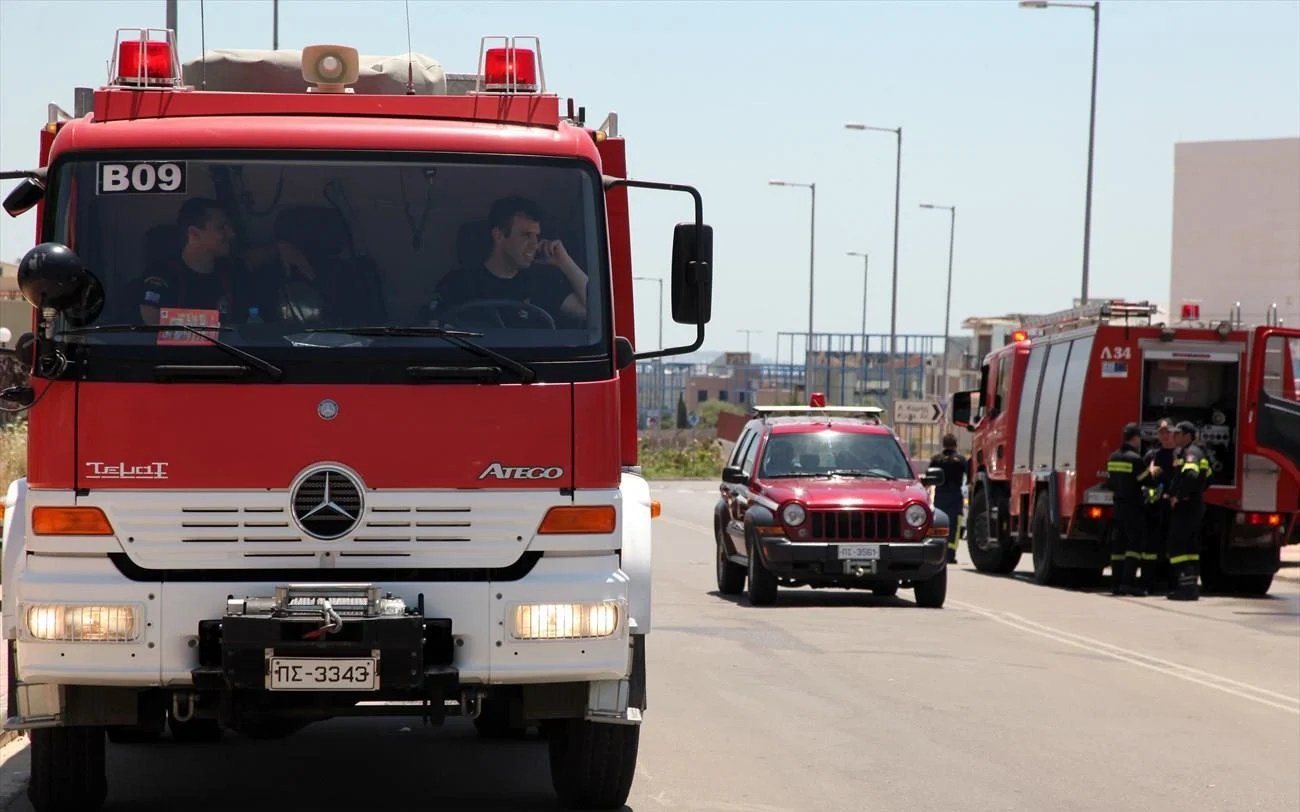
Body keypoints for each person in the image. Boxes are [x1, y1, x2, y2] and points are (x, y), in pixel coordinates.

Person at [137, 197, 314, 325]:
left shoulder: (230, 269)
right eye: (222, 227)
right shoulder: (162, 276)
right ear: (194, 234)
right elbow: (153, 324)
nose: (231, 233)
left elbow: (256, 257)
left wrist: (283, 247)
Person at [428, 196, 589, 328]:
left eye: (537, 236)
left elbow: (591, 311)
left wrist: (565, 262)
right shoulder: (457, 284)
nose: (534, 244)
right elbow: (432, 333)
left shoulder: (542, 282)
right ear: (499, 236)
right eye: (526, 235)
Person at [1166, 420, 1211, 601]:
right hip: (1194, 505)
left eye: (1177, 433)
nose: (1173, 436)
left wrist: (1180, 495)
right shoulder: (1198, 453)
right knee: (1190, 548)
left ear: (1187, 436)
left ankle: (1185, 587)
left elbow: (1192, 475)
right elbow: (1208, 478)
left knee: (1175, 547)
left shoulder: (1191, 454)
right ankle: (1190, 587)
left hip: (1186, 507)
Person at [1106, 422, 1152, 596]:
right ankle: (1128, 582)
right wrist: (1152, 471)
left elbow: (1110, 483)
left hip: (1118, 507)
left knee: (1118, 547)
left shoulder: (1112, 457)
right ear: (1135, 438)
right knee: (1134, 546)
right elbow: (1148, 482)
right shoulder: (1135, 459)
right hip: (1134, 508)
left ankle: (1116, 584)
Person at [1141, 418, 1178, 592]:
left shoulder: (1180, 455)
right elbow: (1141, 478)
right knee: (1151, 546)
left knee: (1172, 545)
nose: (1165, 435)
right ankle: (1147, 583)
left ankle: (1173, 584)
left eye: (1168, 431)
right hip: (1154, 506)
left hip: (1174, 507)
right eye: (1161, 432)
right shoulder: (1152, 456)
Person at [929, 434, 968, 564]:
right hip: (955, 496)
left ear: (943, 444)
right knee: (954, 527)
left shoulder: (936, 459)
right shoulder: (961, 460)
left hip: (940, 496)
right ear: (955, 445)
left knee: (939, 524)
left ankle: (938, 553)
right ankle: (950, 555)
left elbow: (929, 478)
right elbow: (970, 478)